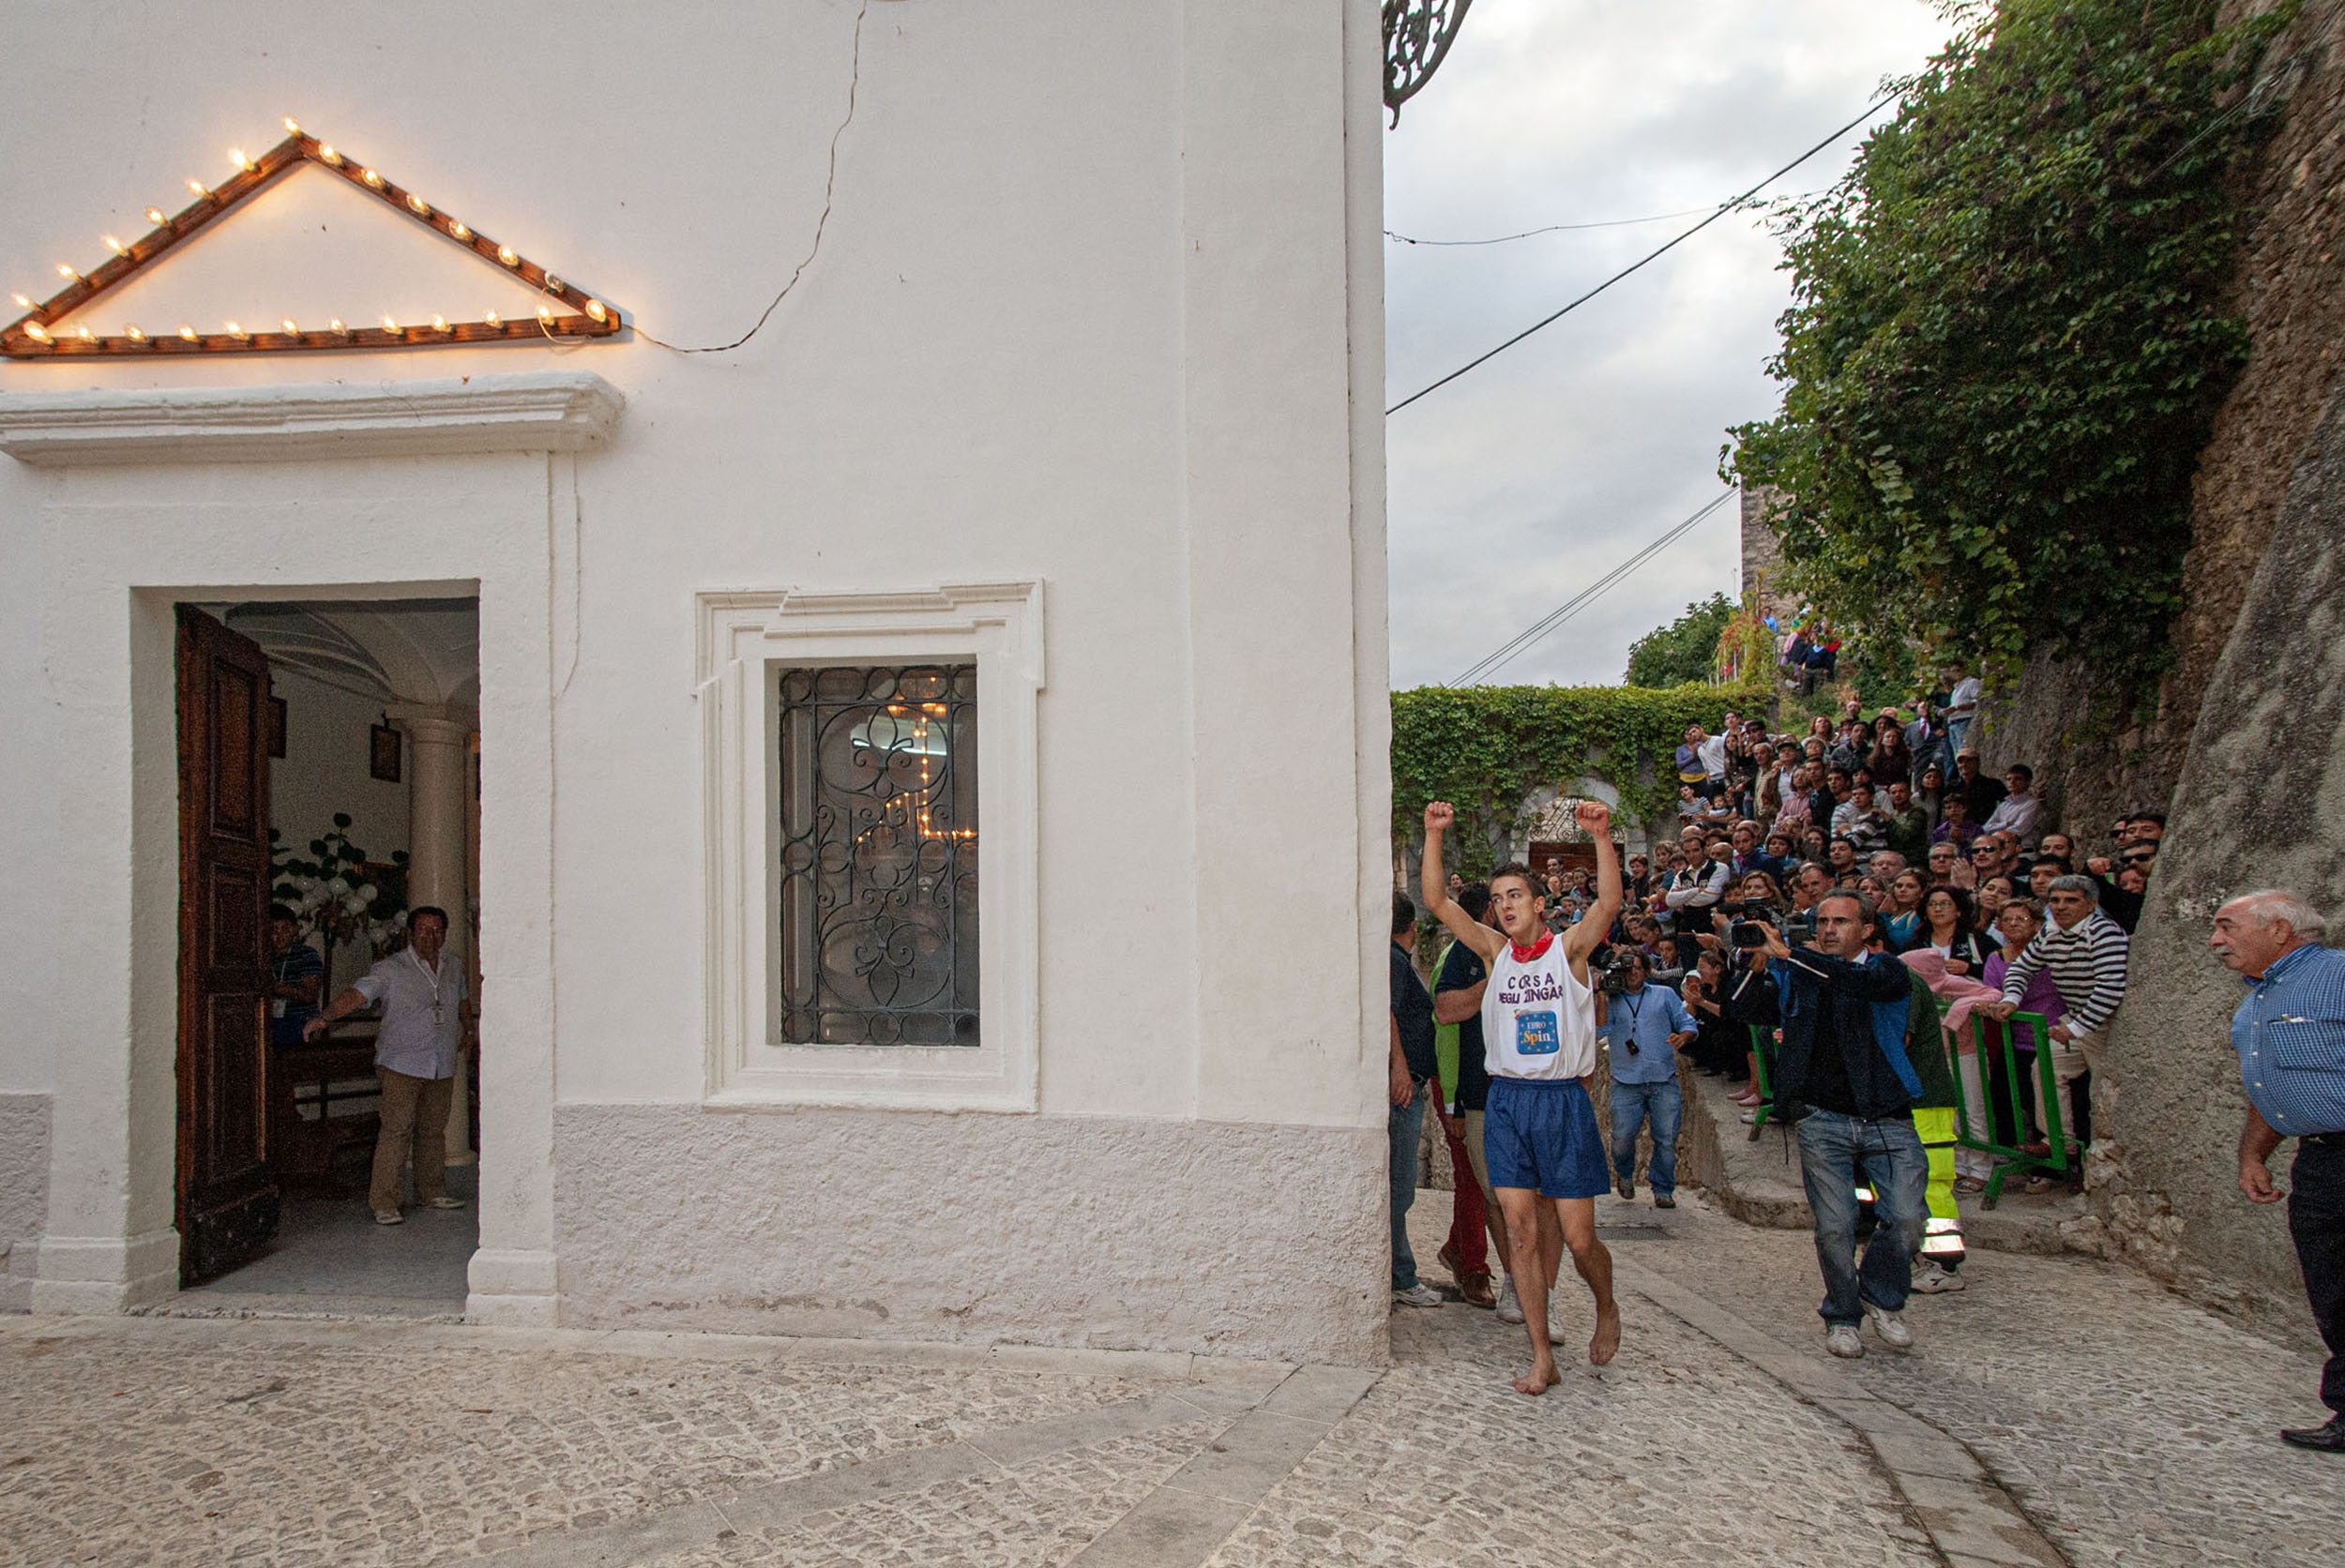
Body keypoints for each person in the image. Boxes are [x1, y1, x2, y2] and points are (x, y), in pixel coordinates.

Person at [1421, 798, 1625, 1394]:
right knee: (1518, 1231)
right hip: (1507, 1100)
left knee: (1580, 1239)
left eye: (1516, 895)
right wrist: (1434, 834)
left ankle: (1606, 1304)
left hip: (1561, 1102)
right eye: (1499, 897)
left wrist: (1602, 837)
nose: (1506, 905)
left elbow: (1609, 905)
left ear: (1539, 904)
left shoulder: (1569, 951)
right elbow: (1437, 902)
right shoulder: (1493, 953)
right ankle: (1541, 1355)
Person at [1754, 890, 1931, 1358]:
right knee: (1835, 1226)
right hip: (1822, 1117)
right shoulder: (1802, 969)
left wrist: (1792, 956)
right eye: (1822, 922)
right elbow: (1751, 1011)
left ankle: (1881, 1296)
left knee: (1909, 1218)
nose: (1829, 930)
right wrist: (1757, 965)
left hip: (1887, 1115)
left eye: (1841, 922)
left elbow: (1854, 982)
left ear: (1867, 929)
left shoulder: (1887, 970)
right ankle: (1843, 1315)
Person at [2212, 890, 2345, 1452]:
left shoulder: (2337, 975)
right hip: (2319, 1159)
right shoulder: (2258, 1000)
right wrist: (2253, 1155)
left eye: (2227, 927)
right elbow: (2268, 1085)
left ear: (2280, 930)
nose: (2216, 941)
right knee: (2332, 1290)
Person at [303, 906, 471, 1226]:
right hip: (401, 1063)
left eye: (436, 929)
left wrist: (470, 1029)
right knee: (396, 1131)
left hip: (440, 1061)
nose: (430, 936)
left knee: (433, 1131)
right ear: (411, 933)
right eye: (423, 929)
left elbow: (461, 998)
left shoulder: (453, 965)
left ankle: (432, 1191)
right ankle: (384, 1201)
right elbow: (357, 995)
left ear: (444, 933)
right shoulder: (390, 968)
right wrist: (324, 1018)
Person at [1985, 875, 2128, 1149]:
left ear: (2091, 905)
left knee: (2105, 1091)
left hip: (2107, 1027)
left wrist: (2075, 1028)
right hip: (2077, 1022)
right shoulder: (2050, 933)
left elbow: (2110, 987)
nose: (2061, 906)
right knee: (2046, 1067)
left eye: (2071, 900)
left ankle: (2110, 1151)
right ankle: (2059, 1142)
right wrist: (2011, 998)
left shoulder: (2103, 932)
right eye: (2055, 900)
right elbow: (2021, 968)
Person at [1434, 885, 1507, 1313]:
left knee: (1480, 1182)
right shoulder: (1461, 955)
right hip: (1462, 1087)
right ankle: (1473, 1267)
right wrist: (1453, 1103)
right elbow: (1447, 1028)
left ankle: (1457, 1246)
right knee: (1474, 1183)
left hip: (1484, 1088)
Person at [1598, 952, 1695, 1209]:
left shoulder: (1664, 995)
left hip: (1662, 1078)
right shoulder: (1612, 999)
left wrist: (1683, 1037)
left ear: (1646, 970)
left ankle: (1663, 1189)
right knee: (1622, 1138)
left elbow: (1687, 1023)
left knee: (1666, 1139)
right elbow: (1600, 1030)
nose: (1632, 974)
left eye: (1637, 968)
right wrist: (1601, 995)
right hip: (1626, 1080)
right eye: (1627, 969)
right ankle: (1624, 1174)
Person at [1385, 894, 1443, 1308]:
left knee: (1400, 1187)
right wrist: (1400, 1068)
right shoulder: (1394, 961)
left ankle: (1399, 1272)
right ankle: (1401, 1276)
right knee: (1400, 1188)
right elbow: (1388, 1012)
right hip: (1403, 1089)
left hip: (1407, 1083)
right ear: (1412, 927)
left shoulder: (1396, 961)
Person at [265, 903, 324, 1048]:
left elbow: (310, 995)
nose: (280, 936)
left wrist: (279, 989)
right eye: (274, 930)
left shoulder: (306, 954)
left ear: (294, 930)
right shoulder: (263, 956)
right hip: (271, 1020)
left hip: (300, 1020)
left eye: (285, 929)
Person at [1980, 763, 2047, 849]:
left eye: (2017, 779)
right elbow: (1985, 828)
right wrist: (2006, 824)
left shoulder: (2032, 804)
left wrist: (1995, 830)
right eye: (2009, 779)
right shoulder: (2003, 805)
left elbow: (2019, 830)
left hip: (2023, 850)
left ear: (2028, 781)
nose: (2012, 782)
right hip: (2001, 849)